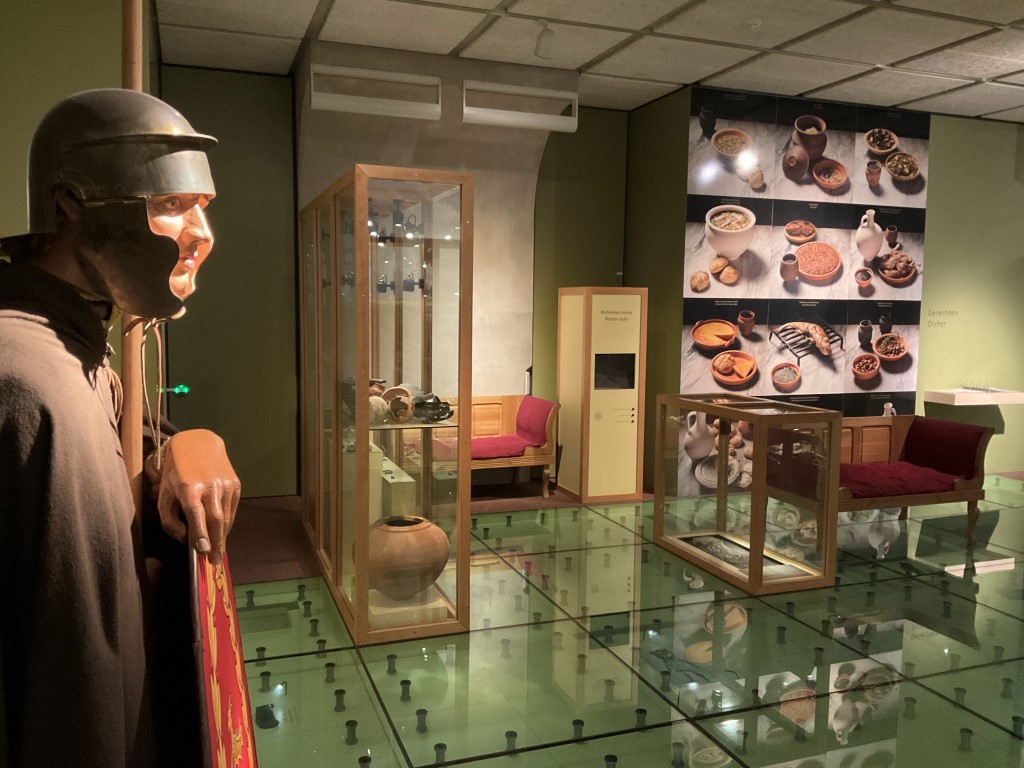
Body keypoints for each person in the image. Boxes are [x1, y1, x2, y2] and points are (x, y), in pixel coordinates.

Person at [0, 89, 241, 767]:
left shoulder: (78, 350)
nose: (201, 235)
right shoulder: (29, 383)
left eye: (203, 206)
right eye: (172, 204)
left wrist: (182, 446)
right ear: (71, 202)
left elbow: (125, 436)